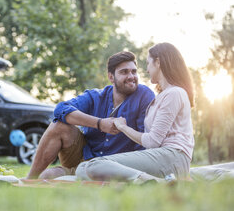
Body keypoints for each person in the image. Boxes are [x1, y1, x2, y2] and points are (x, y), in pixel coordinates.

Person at [76, 42, 194, 183]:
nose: (147, 69)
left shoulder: (175, 93)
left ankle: (154, 182)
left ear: (158, 63)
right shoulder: (164, 95)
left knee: (95, 165)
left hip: (172, 157)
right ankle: (146, 180)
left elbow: (152, 142)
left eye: (148, 63)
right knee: (83, 168)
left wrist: (122, 127)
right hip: (160, 157)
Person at [26, 51, 155, 179]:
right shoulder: (95, 96)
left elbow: (143, 141)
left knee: (48, 176)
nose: (131, 76)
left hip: (116, 164)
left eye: (134, 71)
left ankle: (83, 176)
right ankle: (28, 180)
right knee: (58, 126)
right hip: (83, 157)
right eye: (124, 72)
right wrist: (99, 124)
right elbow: (60, 109)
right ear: (111, 77)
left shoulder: (144, 95)